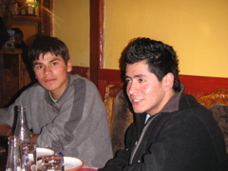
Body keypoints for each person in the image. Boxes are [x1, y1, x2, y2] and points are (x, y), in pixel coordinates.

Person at [98, 37, 228, 171]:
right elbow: (127, 156)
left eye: (141, 80)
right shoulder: (146, 115)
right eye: (129, 80)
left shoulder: (189, 124)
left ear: (167, 81)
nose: (130, 90)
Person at [0, 35, 113, 168]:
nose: (47, 72)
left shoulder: (84, 90)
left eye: (54, 63)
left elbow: (58, 138)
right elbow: (4, 118)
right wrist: (12, 133)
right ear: (34, 72)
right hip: (49, 165)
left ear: (68, 65)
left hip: (89, 166)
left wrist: (23, 137)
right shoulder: (32, 94)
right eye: (39, 66)